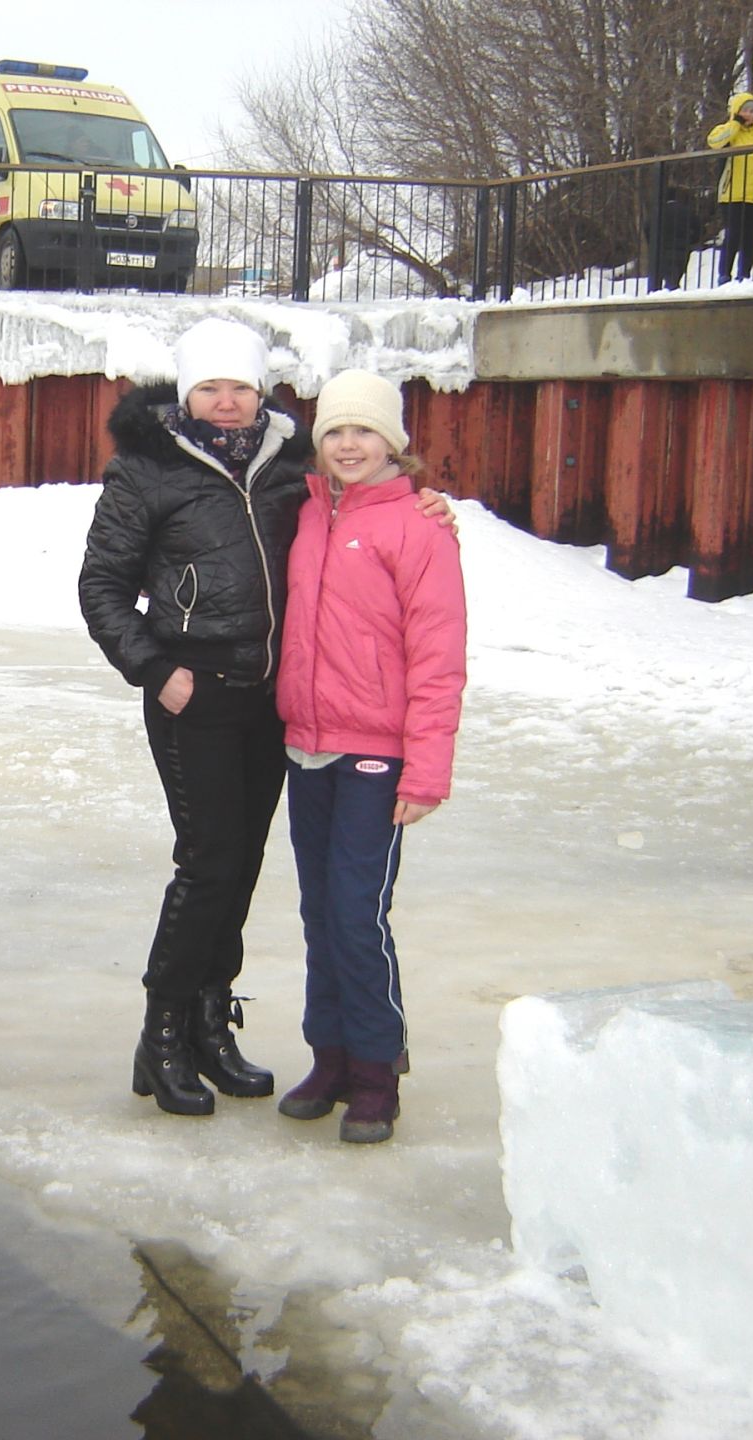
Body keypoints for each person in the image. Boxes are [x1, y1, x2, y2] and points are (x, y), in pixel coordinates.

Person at [79, 318, 453, 1118]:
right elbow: (102, 588)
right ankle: (165, 1030)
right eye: (208, 388)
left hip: (273, 702)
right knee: (209, 862)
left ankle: (214, 1020)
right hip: (193, 693)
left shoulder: (293, 467)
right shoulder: (145, 470)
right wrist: (154, 669)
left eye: (239, 387)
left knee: (242, 867)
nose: (224, 402)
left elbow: (363, 496)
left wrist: (424, 501)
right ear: (186, 394)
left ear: (261, 393)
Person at [272, 371, 466, 1145]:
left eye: (365, 432)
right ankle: (331, 1056)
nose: (349, 446)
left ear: (395, 441)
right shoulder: (308, 511)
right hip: (307, 745)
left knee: (357, 912)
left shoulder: (419, 528)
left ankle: (378, 1068)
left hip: (377, 753)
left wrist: (427, 770)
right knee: (319, 911)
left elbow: (438, 657)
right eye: (335, 432)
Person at [708, 91, 753, 284]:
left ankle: (745, 274)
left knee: (749, 236)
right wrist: (735, 123)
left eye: (752, 110)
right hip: (732, 192)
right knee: (732, 234)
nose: (749, 114)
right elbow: (715, 142)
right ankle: (724, 274)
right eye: (745, 110)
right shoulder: (726, 130)